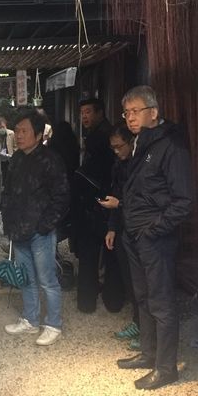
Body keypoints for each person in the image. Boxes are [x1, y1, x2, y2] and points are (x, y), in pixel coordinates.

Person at [115, 86, 192, 390]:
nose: (130, 118)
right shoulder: (141, 143)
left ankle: (166, 367)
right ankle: (148, 354)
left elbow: (184, 201)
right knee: (142, 297)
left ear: (154, 112)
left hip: (155, 238)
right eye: (126, 113)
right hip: (134, 233)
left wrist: (153, 229)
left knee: (161, 302)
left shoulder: (170, 145)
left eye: (136, 111)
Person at [2, 110, 71, 346]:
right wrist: (8, 222)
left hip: (40, 232)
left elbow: (62, 196)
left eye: (24, 131)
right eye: (17, 131)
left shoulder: (51, 160)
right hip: (18, 229)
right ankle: (30, 320)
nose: (19, 135)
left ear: (39, 135)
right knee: (26, 278)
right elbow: (8, 193)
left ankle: (53, 324)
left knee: (47, 280)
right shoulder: (16, 159)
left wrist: (46, 225)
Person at [73, 98, 124, 313]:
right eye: (82, 112)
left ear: (100, 112)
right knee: (110, 254)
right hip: (105, 200)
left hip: (99, 201)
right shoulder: (100, 133)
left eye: (88, 112)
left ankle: (88, 301)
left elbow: (97, 172)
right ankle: (113, 301)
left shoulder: (102, 136)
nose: (84, 116)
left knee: (92, 253)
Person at [100, 126, 140, 346]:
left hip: (142, 229)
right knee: (130, 280)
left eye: (119, 146)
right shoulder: (118, 165)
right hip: (123, 227)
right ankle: (138, 322)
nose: (116, 151)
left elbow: (146, 201)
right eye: (112, 148)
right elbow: (115, 195)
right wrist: (112, 227)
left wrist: (121, 204)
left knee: (143, 284)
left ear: (131, 141)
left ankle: (146, 330)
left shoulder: (141, 163)